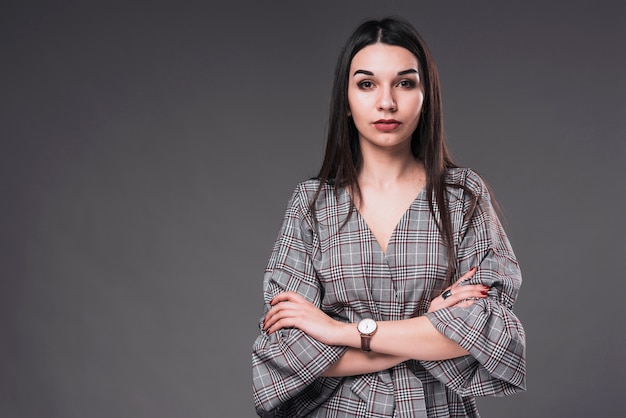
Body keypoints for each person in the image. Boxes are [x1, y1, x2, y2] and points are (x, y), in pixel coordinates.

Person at [252, 16, 526, 418]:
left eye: (405, 82)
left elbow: (489, 332)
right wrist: (430, 326)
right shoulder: (312, 205)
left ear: (425, 95)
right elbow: (287, 350)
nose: (387, 102)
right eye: (367, 84)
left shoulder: (462, 197)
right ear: (345, 101)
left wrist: (341, 332)